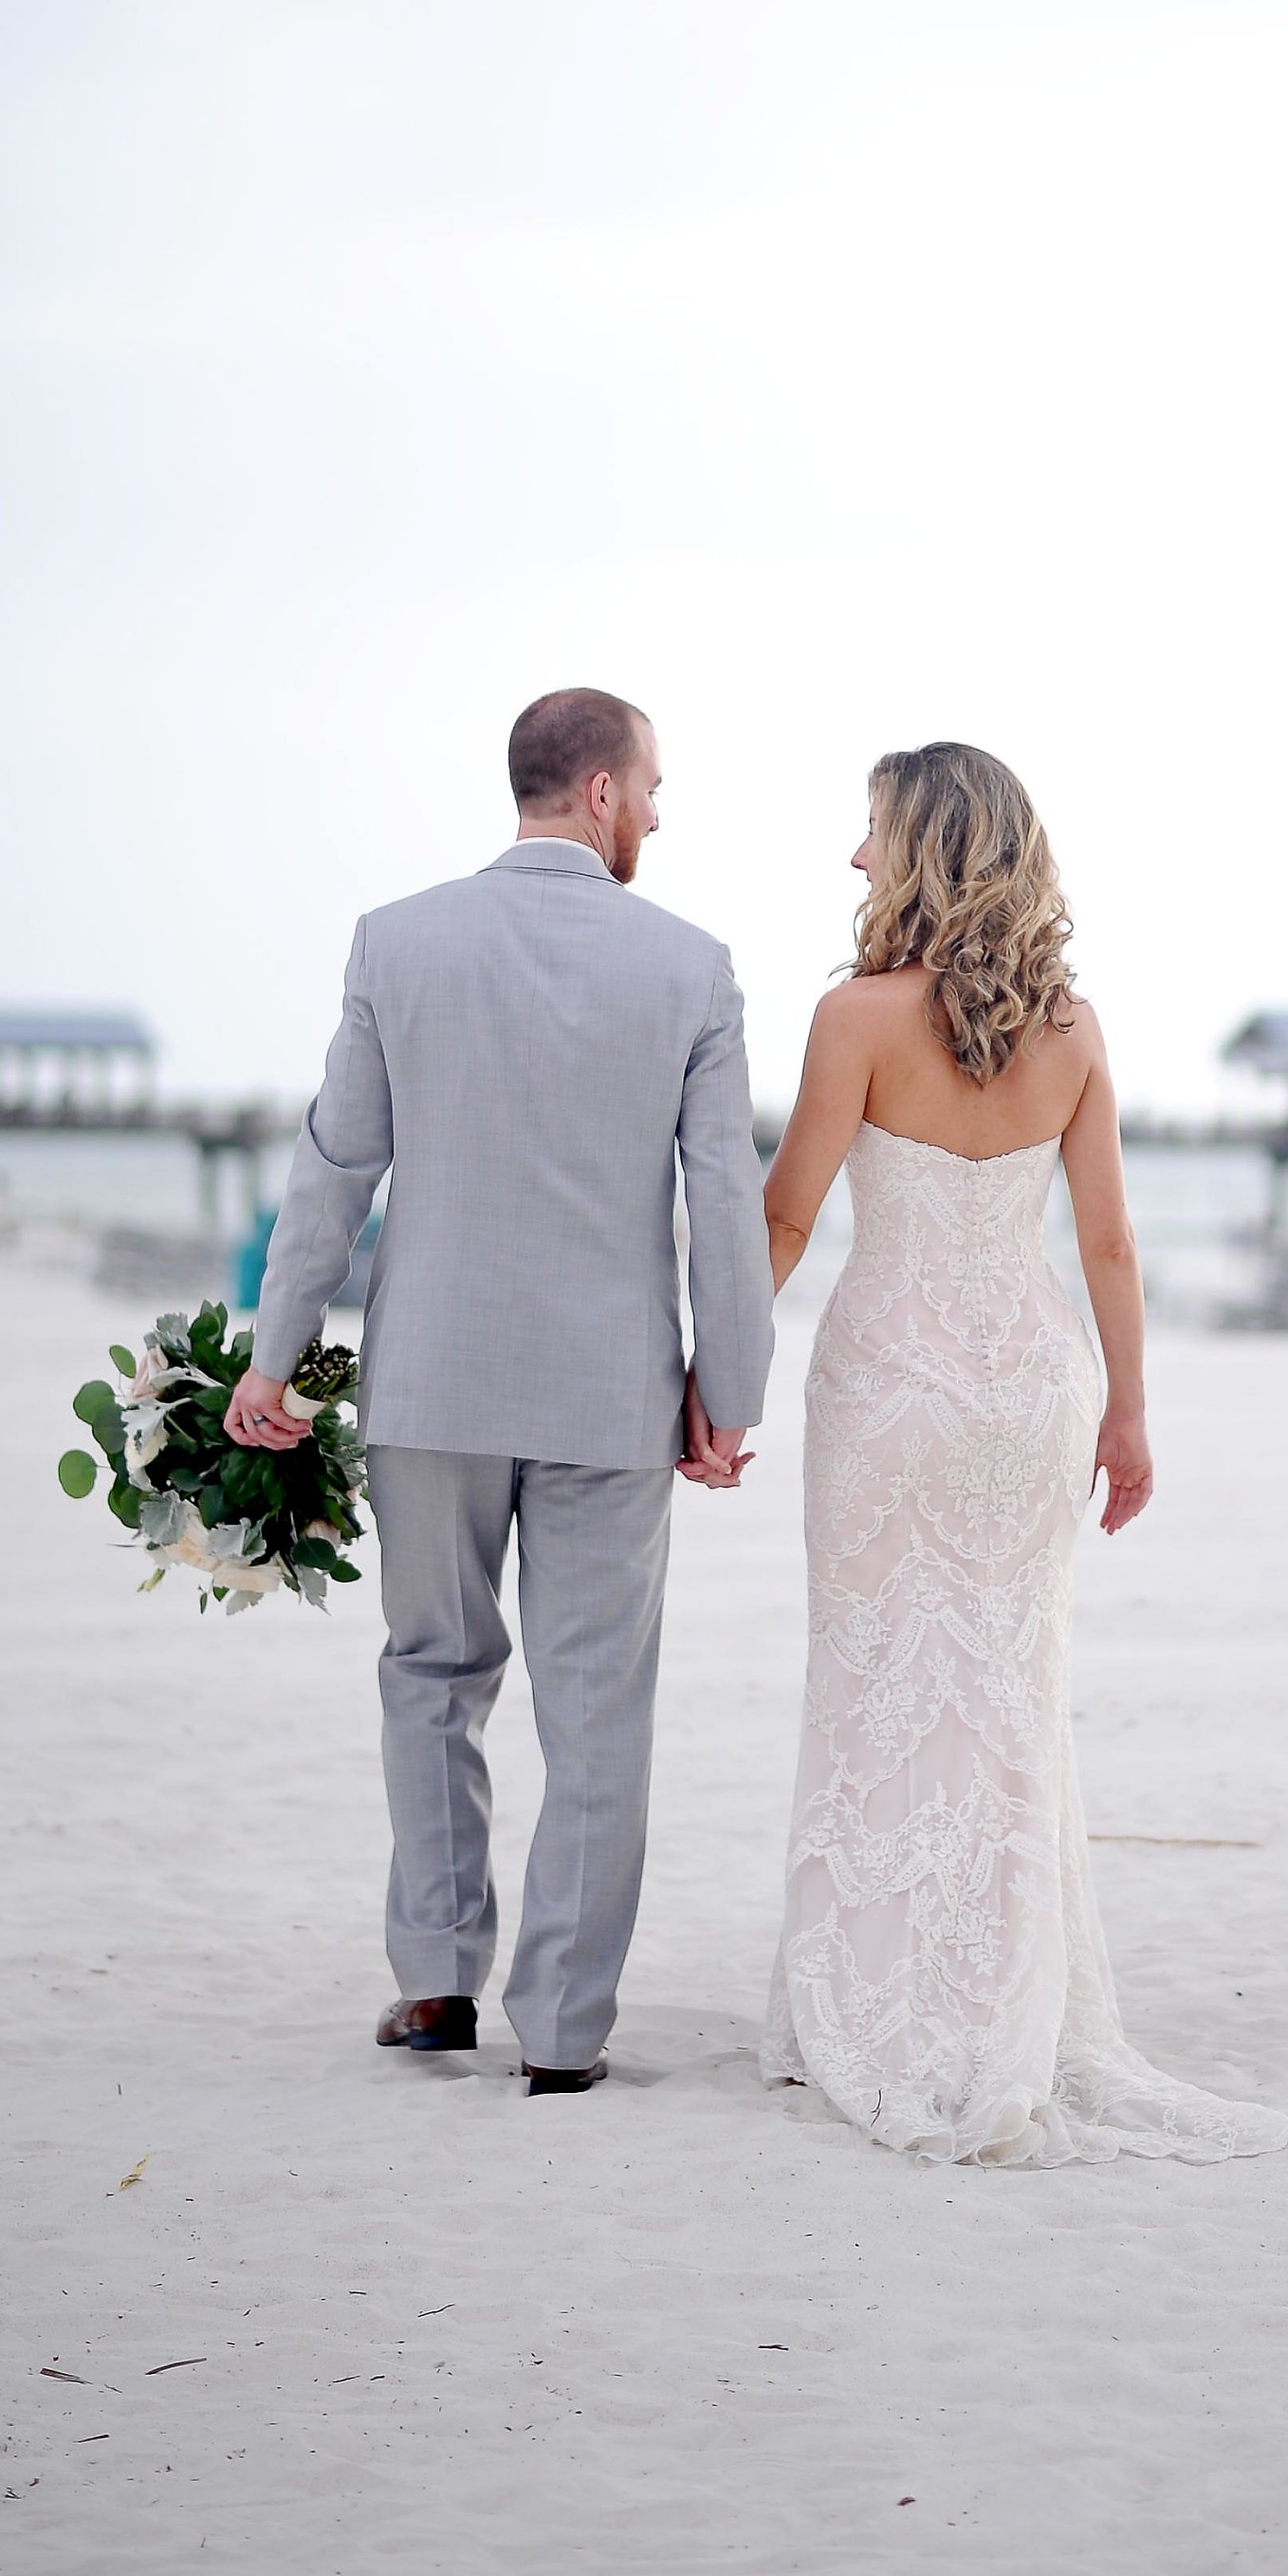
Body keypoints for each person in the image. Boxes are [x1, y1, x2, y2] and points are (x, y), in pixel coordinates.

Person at [224, 688, 773, 2090]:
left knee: (431, 1676)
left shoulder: (397, 944)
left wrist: (272, 1355)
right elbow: (722, 1203)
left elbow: (333, 1169)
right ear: (597, 790)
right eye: (651, 785)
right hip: (609, 1397)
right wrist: (733, 1389)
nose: (657, 810)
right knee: (597, 1711)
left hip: (435, 1386)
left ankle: (435, 1982)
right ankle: (568, 2032)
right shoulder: (691, 970)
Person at [757, 742, 1288, 2167]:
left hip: (889, 1391)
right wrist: (1129, 1410)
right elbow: (1109, 1241)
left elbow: (788, 1220)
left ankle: (866, 2001)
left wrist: (709, 1372)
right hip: (1030, 1394)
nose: (855, 860)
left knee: (872, 1672)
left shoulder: (852, 1019)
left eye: (871, 835)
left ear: (923, 850)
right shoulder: (1074, 1026)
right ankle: (1002, 2002)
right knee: (1006, 1694)